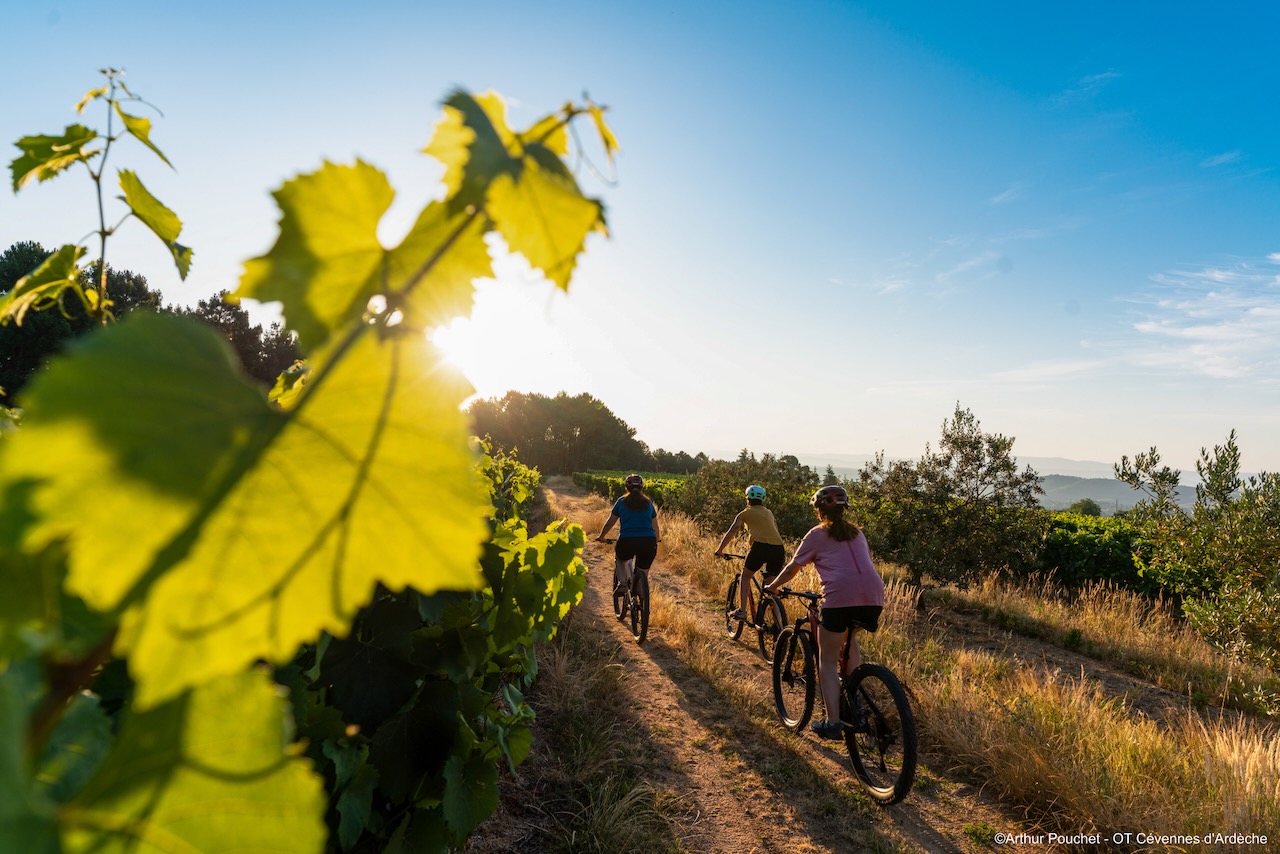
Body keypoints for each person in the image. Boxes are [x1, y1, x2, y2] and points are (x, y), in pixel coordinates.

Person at [764, 484, 884, 740]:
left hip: (840, 596)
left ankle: (833, 722)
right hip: (874, 596)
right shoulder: (857, 533)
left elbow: (792, 568)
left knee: (827, 661)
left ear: (819, 511)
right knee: (849, 640)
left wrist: (773, 587)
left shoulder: (816, 534)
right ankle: (854, 699)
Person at [714, 484, 786, 624]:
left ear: (747, 498)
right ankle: (779, 624)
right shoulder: (769, 513)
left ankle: (742, 611)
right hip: (778, 549)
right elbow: (775, 531)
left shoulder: (745, 513)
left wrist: (720, 550)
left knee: (745, 576)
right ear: (763, 499)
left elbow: (732, 531)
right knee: (771, 588)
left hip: (760, 547)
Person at [596, 473, 662, 594]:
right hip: (648, 541)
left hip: (627, 540)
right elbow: (656, 526)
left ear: (626, 487)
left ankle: (622, 583)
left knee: (620, 559)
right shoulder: (648, 503)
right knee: (643, 572)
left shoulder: (621, 501)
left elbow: (610, 523)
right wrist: (657, 539)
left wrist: (602, 536)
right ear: (642, 487)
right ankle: (641, 596)